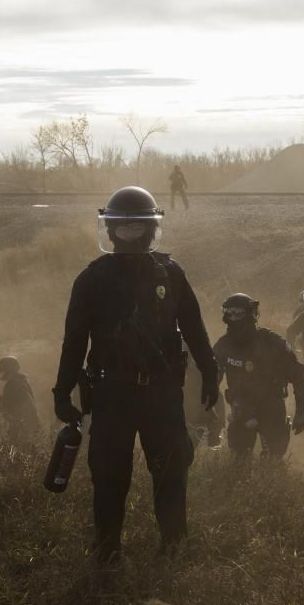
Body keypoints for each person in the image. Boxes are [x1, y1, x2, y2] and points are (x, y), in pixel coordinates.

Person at [51, 186, 219, 562]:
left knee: (172, 472)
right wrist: (62, 392)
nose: (129, 233)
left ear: (150, 227)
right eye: (121, 226)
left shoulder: (172, 274)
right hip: (112, 393)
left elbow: (194, 328)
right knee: (109, 476)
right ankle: (108, 549)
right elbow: (74, 341)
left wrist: (210, 371)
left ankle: (173, 546)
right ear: (109, 230)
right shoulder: (91, 279)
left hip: (162, 393)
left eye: (136, 226)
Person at [213, 294, 304, 462]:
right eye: (229, 313)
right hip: (241, 410)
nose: (233, 318)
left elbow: (299, 377)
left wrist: (301, 412)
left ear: (251, 314)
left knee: (273, 462)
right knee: (239, 463)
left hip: (271, 408)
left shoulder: (273, 342)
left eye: (239, 313)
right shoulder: (223, 345)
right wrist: (210, 417)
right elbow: (210, 383)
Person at [0, 356, 42, 447]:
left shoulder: (12, 384)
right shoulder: (22, 381)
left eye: (2, 370)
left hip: (24, 427)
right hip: (32, 425)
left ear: (8, 370)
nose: (1, 373)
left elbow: (6, 406)